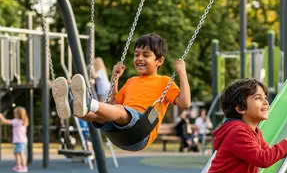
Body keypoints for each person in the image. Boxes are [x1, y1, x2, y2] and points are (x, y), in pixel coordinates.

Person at [51, 33, 191, 152]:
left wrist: (182, 74)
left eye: (146, 55)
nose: (139, 58)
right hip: (120, 132)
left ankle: (87, 102)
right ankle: (71, 106)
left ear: (159, 61)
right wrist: (115, 78)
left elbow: (184, 103)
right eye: (136, 54)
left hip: (141, 131)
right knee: (95, 116)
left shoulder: (164, 81)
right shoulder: (131, 81)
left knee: (117, 110)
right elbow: (113, 103)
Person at [0, 106, 29, 173]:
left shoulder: (17, 121)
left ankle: (24, 167)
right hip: (20, 140)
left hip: (20, 141)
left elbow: (6, 121)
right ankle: (18, 166)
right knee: (16, 153)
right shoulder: (23, 121)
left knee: (21, 153)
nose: (14, 115)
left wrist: (1, 117)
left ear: (20, 114)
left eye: (16, 113)